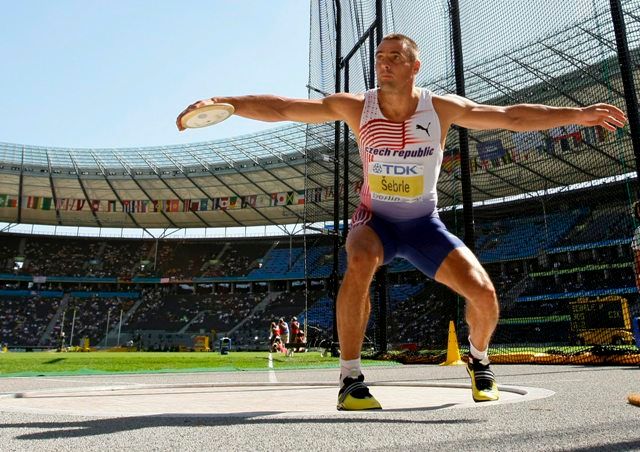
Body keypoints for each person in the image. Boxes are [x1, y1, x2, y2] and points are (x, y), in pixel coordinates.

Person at [177, 33, 628, 411]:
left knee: (485, 293)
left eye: (396, 57)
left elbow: (510, 118)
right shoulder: (356, 106)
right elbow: (284, 108)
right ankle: (350, 379)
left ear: (415, 66)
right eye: (380, 57)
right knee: (359, 263)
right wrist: (226, 101)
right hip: (374, 219)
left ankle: (480, 360)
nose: (385, 63)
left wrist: (577, 114)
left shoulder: (442, 108)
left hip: (423, 225)